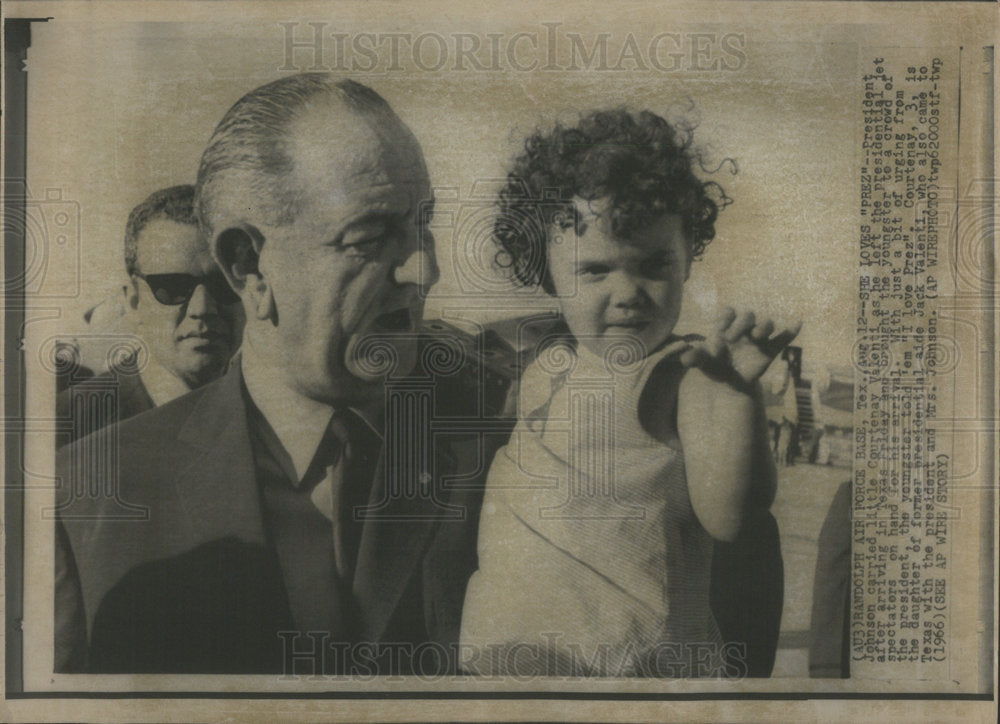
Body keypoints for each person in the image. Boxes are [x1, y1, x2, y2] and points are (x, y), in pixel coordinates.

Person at [55, 74, 505, 674]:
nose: (424, 268)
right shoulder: (85, 500)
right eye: (372, 237)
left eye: (422, 224)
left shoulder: (511, 443)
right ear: (249, 266)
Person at [460, 109, 798, 677]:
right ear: (547, 275)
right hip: (508, 660)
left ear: (688, 257)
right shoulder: (538, 360)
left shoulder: (683, 373)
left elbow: (733, 516)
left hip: (629, 667)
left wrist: (737, 394)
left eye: (652, 265)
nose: (627, 293)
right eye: (594, 271)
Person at [56, 185, 244, 446]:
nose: (202, 309)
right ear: (133, 300)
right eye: (172, 288)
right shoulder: (63, 427)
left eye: (223, 283)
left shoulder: (278, 423)